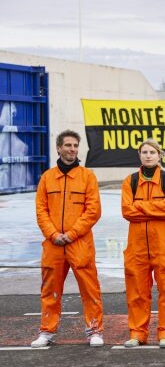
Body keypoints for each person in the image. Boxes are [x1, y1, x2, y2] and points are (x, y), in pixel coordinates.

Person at [31, 130, 105, 347]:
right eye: (68, 145)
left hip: (79, 243)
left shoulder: (87, 176)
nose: (72, 149)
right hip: (53, 244)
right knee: (49, 290)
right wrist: (53, 235)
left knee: (90, 289)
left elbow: (93, 211)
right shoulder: (47, 178)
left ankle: (95, 330)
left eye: (75, 146)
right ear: (58, 148)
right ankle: (47, 331)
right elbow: (41, 211)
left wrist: (71, 234)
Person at [121, 139, 165, 349]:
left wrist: (141, 207)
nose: (148, 155)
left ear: (159, 155)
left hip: (163, 246)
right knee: (137, 292)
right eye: (144, 152)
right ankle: (137, 333)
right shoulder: (130, 181)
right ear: (140, 155)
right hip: (136, 247)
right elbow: (127, 211)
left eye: (152, 152)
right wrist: (155, 208)